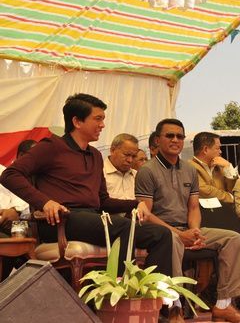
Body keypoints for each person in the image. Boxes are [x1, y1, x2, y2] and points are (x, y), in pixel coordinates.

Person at [0, 94, 173, 283]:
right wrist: (45, 202)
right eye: (97, 119)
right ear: (77, 121)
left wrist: (136, 203)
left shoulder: (95, 155)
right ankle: (119, 294)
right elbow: (10, 175)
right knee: (122, 226)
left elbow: (103, 201)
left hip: (93, 219)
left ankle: (158, 301)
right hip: (61, 222)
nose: (102, 125)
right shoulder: (51, 147)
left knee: (161, 234)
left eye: (103, 119)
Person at [135, 119, 240, 323]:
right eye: (170, 135)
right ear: (157, 140)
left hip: (188, 228)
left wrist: (195, 232)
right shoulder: (147, 170)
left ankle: (224, 305)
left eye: (180, 136)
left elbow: (193, 206)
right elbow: (145, 213)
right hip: (161, 231)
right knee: (170, 240)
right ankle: (175, 308)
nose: (176, 140)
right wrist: (180, 234)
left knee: (232, 238)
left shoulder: (189, 169)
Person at [0, 140, 35, 279]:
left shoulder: (3, 171)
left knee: (22, 238)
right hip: (4, 226)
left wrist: (15, 210)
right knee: (10, 243)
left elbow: (20, 200)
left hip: (14, 224)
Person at [188, 132, 238, 203]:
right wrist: (231, 198)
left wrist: (228, 167)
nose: (220, 151)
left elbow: (235, 191)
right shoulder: (189, 167)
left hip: (225, 212)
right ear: (205, 149)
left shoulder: (220, 166)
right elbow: (205, 191)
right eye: (218, 148)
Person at [104, 133, 139, 200]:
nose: (130, 160)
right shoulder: (99, 173)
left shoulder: (137, 176)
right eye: (126, 155)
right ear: (112, 150)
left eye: (133, 156)